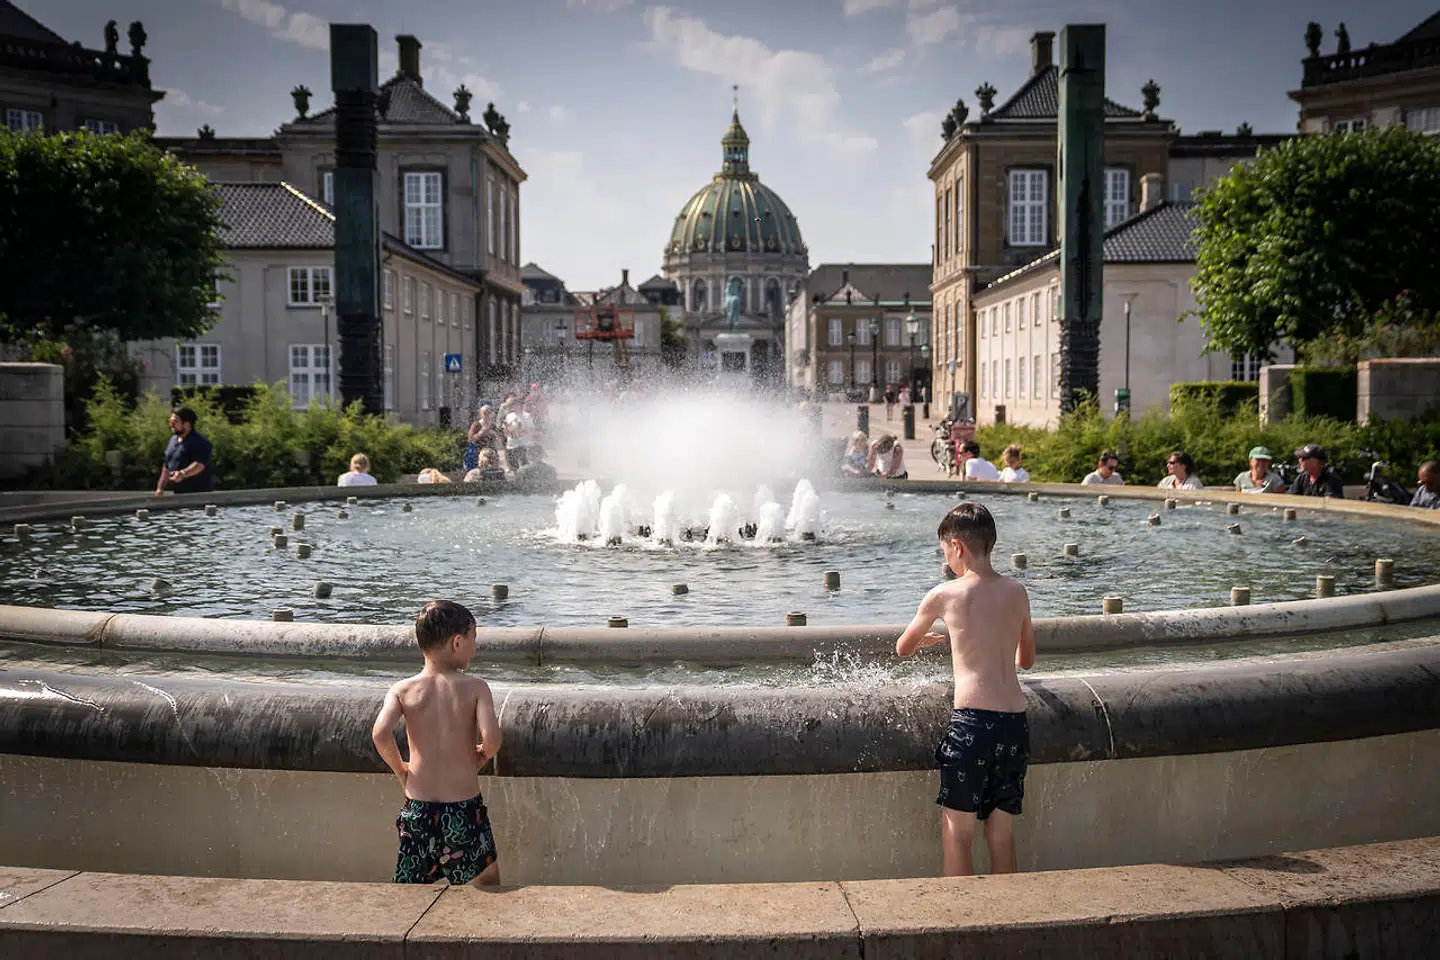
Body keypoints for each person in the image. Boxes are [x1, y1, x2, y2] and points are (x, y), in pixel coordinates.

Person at [896, 503, 1036, 877]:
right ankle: (1008, 914)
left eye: (945, 551)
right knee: (1001, 831)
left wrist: (925, 639)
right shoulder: (1017, 592)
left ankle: (960, 917)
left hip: (973, 723)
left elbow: (903, 647)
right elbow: (1027, 659)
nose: (947, 559)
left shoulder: (945, 595)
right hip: (1014, 723)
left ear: (956, 547)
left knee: (958, 831)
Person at [372, 600, 502, 886]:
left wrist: (402, 771)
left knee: (411, 890)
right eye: (473, 639)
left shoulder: (402, 690)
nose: (475, 647)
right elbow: (492, 740)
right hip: (462, 810)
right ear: (457, 642)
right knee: (487, 883)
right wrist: (479, 757)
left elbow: (380, 734)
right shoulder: (476, 688)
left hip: (418, 809)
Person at [155, 407, 214, 495]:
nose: (171, 425)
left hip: (198, 496)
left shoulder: (200, 442)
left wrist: (183, 474)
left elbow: (199, 465)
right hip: (178, 495)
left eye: (175, 422)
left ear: (186, 424)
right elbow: (166, 466)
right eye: (170, 422)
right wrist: (160, 488)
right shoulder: (173, 440)